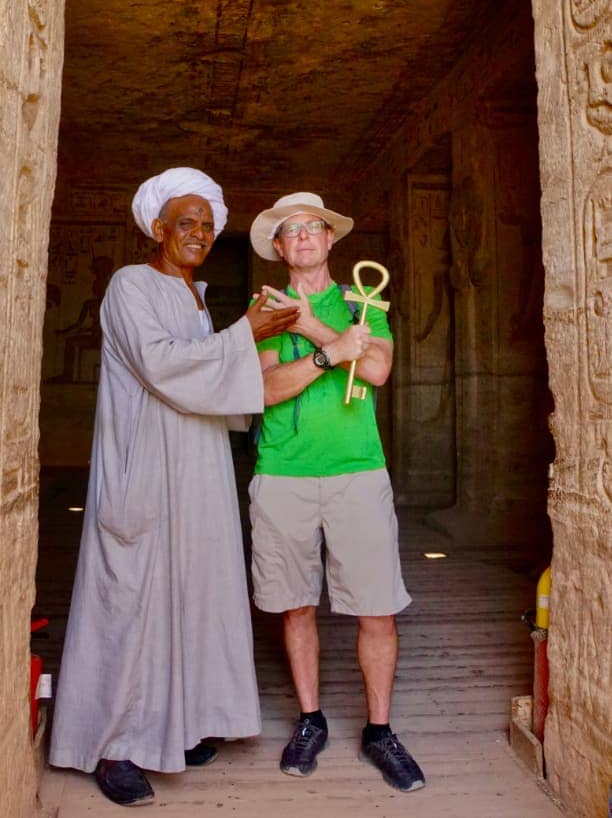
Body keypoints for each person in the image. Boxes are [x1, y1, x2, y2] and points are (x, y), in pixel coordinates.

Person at [49, 167, 299, 807]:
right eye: (186, 223)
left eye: (209, 226)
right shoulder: (131, 285)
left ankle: (172, 726)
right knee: (129, 602)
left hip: (197, 472)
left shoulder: (193, 295)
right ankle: (114, 746)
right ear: (157, 228)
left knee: (190, 594)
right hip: (146, 473)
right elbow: (165, 368)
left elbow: (209, 374)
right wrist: (246, 334)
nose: (200, 234)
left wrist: (245, 335)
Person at [248, 192, 425, 793]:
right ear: (278, 247)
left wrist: (319, 326)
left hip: (357, 470)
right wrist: (329, 351)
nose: (302, 236)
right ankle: (310, 719)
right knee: (296, 603)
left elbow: (376, 370)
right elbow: (267, 390)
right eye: (290, 230)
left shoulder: (362, 301)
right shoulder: (264, 307)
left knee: (376, 606)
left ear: (330, 241)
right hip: (283, 473)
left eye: (313, 228)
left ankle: (380, 730)